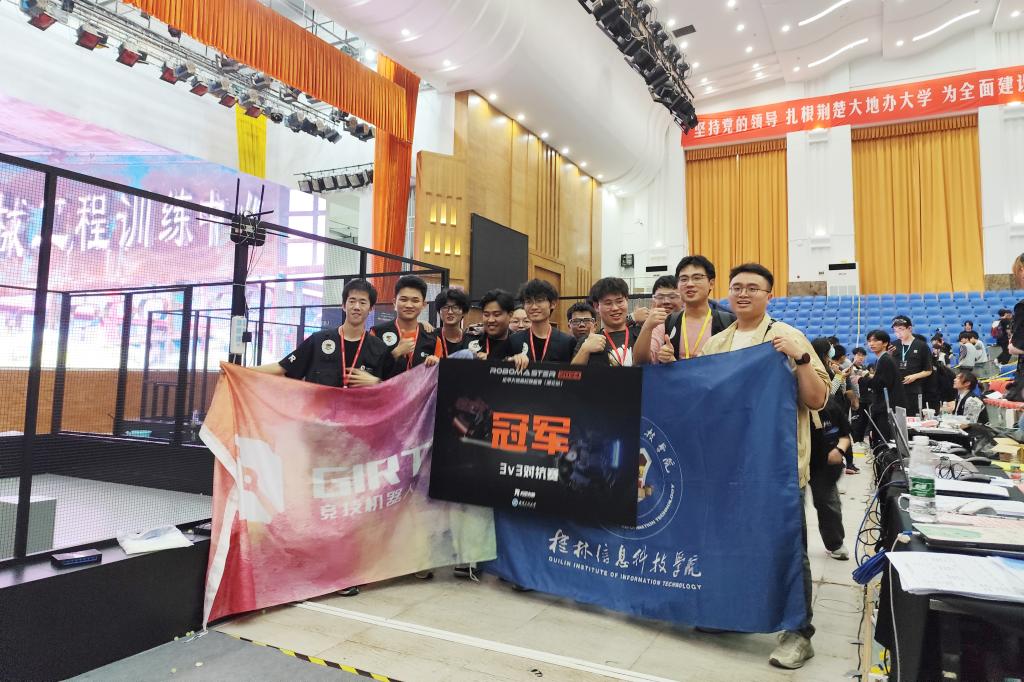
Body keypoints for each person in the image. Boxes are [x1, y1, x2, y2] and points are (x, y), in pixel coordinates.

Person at [699, 263, 829, 670]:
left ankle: (799, 634)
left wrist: (800, 359)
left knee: (787, 549)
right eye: (736, 287)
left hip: (778, 466)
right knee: (732, 543)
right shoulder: (716, 343)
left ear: (769, 296)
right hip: (728, 465)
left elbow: (817, 399)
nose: (743, 294)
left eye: (753, 288)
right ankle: (735, 614)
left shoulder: (788, 337)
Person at [254, 279, 395, 387]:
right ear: (343, 305)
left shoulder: (379, 348)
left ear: (371, 308)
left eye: (363, 302)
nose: (356, 307)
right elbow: (282, 368)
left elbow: (393, 389)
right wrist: (242, 371)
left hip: (359, 416)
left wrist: (376, 382)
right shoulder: (318, 340)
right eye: (352, 301)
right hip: (321, 415)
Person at [635, 255, 735, 365]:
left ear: (711, 283)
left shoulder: (730, 322)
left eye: (697, 278)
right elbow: (640, 361)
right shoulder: (666, 323)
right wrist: (647, 327)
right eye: (683, 279)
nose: (690, 284)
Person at [809, 338, 852, 561]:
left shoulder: (831, 405)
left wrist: (839, 451)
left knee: (827, 503)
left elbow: (845, 435)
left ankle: (835, 543)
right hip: (797, 461)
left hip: (824, 464)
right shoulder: (791, 408)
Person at [371, 275, 439, 376]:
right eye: (403, 300)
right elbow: (369, 371)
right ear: (394, 302)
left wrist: (436, 365)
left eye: (415, 301)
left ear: (423, 305)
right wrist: (395, 354)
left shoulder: (433, 337)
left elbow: (438, 377)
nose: (409, 305)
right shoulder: (377, 333)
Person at [572, 277, 640, 366]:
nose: (615, 308)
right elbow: (573, 373)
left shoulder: (641, 334)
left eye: (619, 301)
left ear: (627, 300)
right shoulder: (587, 341)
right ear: (596, 307)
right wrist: (585, 350)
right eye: (608, 303)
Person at [509, 279, 576, 366]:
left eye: (539, 301)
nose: (534, 307)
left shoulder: (567, 342)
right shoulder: (513, 340)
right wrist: (510, 360)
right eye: (528, 302)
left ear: (553, 304)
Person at [861, 329, 907, 443]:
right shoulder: (882, 359)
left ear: (885, 343)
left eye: (875, 340)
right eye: (869, 341)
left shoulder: (885, 359)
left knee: (884, 441)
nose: (871, 344)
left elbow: (880, 384)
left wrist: (862, 380)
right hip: (885, 405)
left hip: (886, 406)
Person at [890, 316, 932, 416]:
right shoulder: (893, 345)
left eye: (901, 329)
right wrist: (888, 356)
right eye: (895, 331)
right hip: (895, 389)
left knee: (912, 417)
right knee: (896, 417)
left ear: (909, 328)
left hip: (913, 389)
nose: (898, 333)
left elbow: (928, 370)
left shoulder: (921, 346)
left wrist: (914, 376)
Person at [467, 289, 516, 360]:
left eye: (496, 315)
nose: (491, 320)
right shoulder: (470, 339)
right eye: (486, 315)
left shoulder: (519, 342)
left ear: (510, 315)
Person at [433, 287, 470, 358]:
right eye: (445, 307)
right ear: (439, 312)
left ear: (463, 312)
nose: (450, 312)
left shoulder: (470, 339)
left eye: (455, 307)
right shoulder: (431, 337)